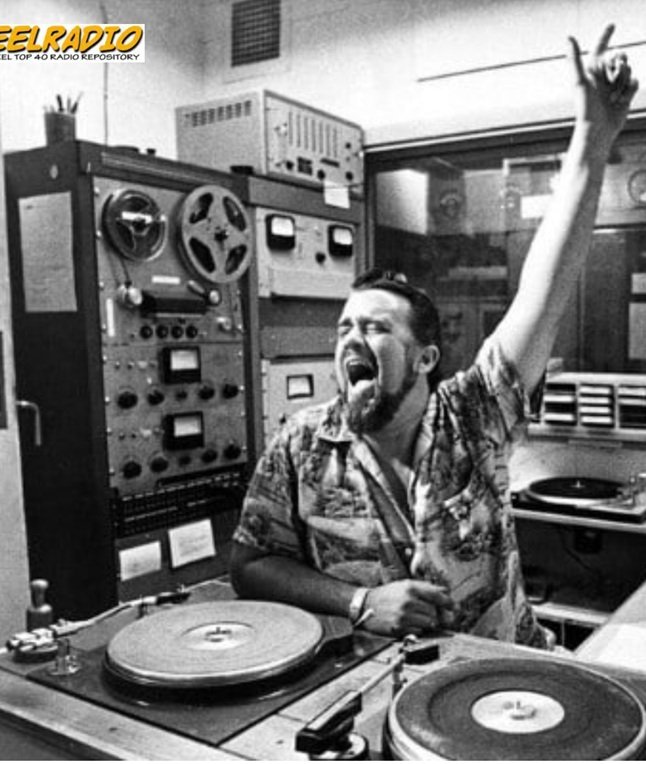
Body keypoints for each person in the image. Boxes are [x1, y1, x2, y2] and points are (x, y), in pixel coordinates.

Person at [230, 25, 639, 647]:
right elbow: (250, 565)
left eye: (374, 327)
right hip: (369, 677)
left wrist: (593, 136)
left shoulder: (475, 415)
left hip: (495, 669)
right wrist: (359, 602)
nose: (351, 339)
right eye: (344, 328)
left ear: (425, 357)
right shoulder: (300, 443)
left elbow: (545, 290)